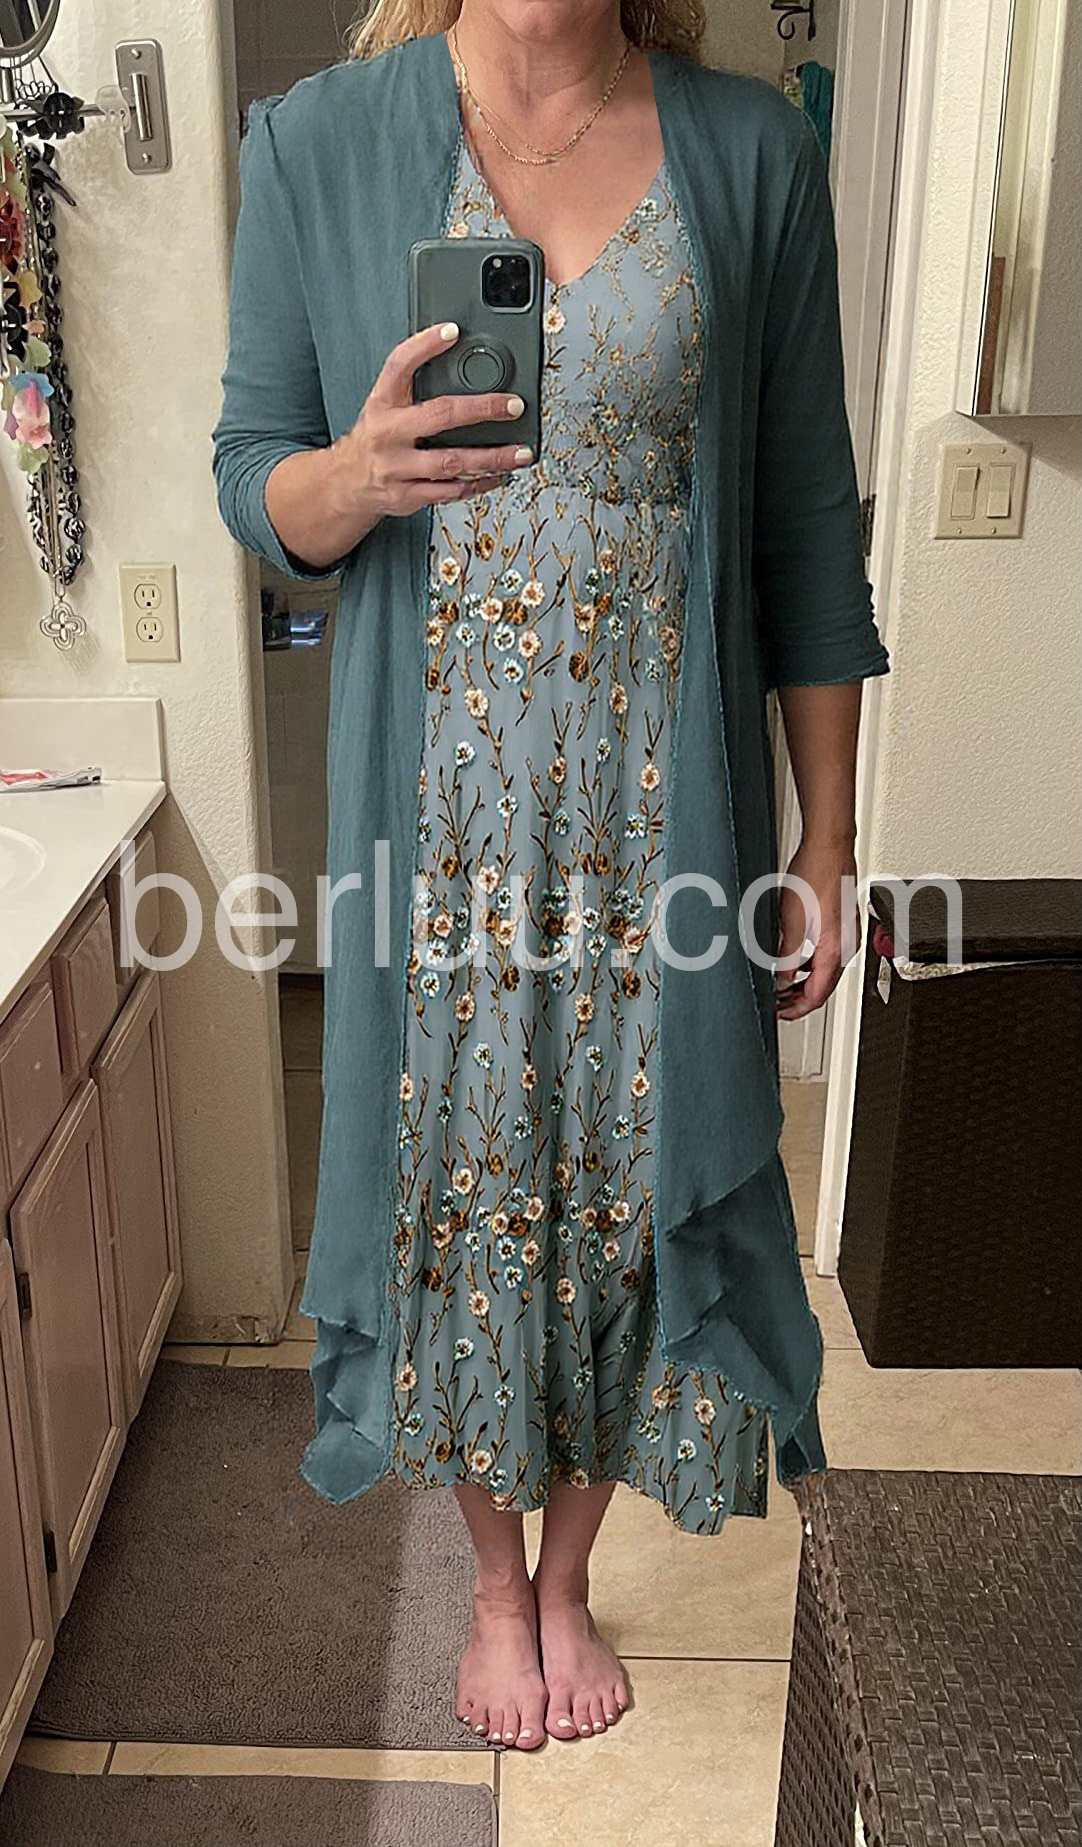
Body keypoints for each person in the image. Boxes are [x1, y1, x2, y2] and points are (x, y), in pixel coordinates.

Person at [212, 0, 890, 1755]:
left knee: (622, 1184)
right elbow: (253, 481)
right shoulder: (318, 143)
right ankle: (492, 1585)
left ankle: (568, 1574)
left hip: (664, 823)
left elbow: (806, 521)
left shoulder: (751, 153)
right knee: (460, 1186)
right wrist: (354, 476)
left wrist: (824, 838)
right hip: (433, 825)